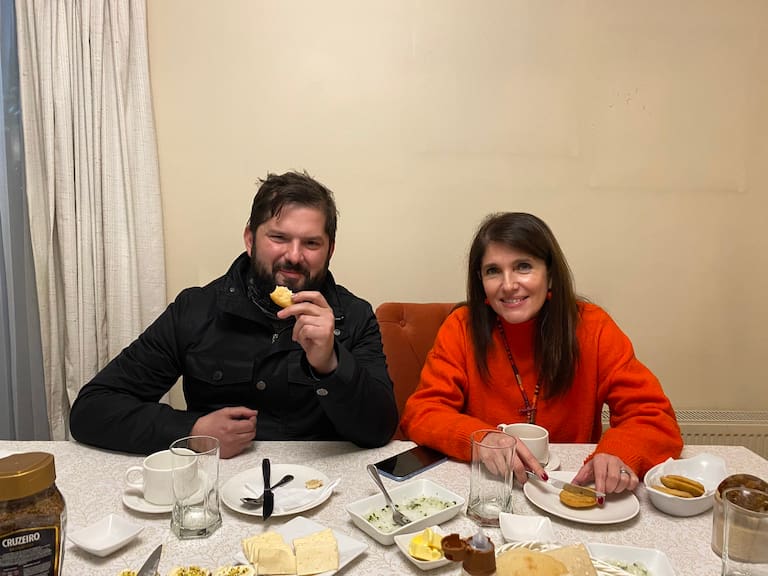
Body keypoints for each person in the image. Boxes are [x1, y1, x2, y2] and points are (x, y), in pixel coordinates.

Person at [70, 171, 399, 458]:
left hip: (318, 491)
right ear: (250, 240)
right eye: (279, 237)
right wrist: (194, 431)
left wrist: (330, 363)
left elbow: (379, 431)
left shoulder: (353, 317)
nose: (294, 256)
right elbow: (92, 410)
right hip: (215, 489)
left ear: (330, 250)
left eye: (311, 243)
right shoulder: (196, 310)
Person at [400, 212, 683, 495]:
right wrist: (481, 438)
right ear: (481, 283)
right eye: (493, 271)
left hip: (568, 488)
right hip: (490, 488)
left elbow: (654, 417)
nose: (508, 285)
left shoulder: (593, 327)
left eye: (523, 267)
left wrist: (619, 452)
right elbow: (422, 412)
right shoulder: (461, 326)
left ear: (550, 275)